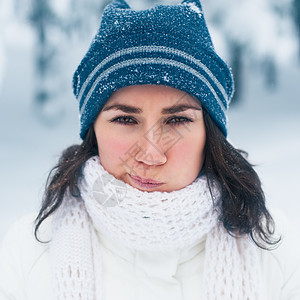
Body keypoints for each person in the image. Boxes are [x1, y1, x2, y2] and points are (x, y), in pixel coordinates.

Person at [0, 0, 299, 299]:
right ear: (94, 131)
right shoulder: (29, 253)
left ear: (210, 133)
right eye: (125, 119)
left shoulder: (275, 251)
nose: (151, 155)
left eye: (178, 120)